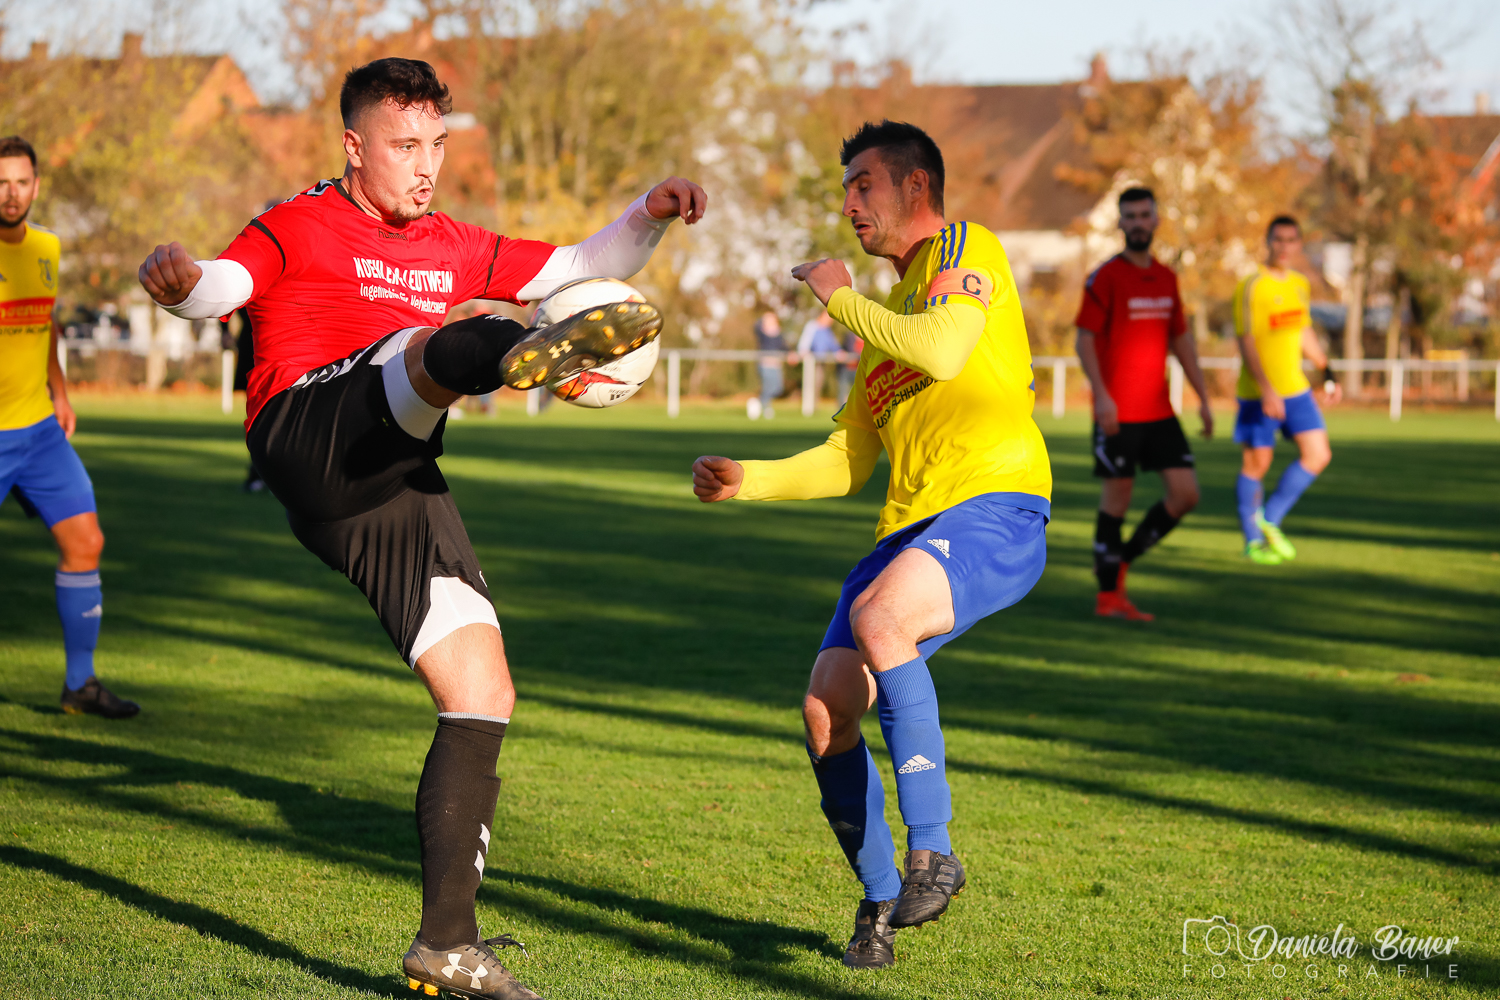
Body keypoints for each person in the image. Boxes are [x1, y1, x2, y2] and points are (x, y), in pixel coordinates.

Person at [138, 58, 705, 1000]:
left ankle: (446, 944)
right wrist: (183, 280)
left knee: (483, 689)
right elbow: (226, 283)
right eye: (406, 146)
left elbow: (573, 267)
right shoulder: (300, 220)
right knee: (418, 351)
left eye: (438, 144)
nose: (425, 164)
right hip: (306, 431)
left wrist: (646, 211)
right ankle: (514, 352)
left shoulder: (449, 241)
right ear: (354, 147)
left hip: (392, 480)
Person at [692, 120, 1050, 971]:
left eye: (863, 185)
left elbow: (951, 346)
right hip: (908, 530)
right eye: (846, 188)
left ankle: (934, 847)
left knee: (883, 620)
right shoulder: (885, 324)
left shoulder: (966, 250)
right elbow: (849, 459)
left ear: (914, 189)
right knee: (825, 709)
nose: (849, 203)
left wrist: (837, 299)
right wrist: (750, 479)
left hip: (994, 505)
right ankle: (883, 897)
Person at [0, 135, 138, 720]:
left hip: (38, 433)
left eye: (21, 182)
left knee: (86, 543)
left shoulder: (48, 247)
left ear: (36, 184)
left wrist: (59, 391)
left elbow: (46, 324)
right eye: (1, 182)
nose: (11, 194)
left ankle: (79, 685)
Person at [1074, 187, 1212, 621]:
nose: (1136, 222)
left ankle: (1121, 560)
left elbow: (1182, 340)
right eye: (1129, 215)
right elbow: (1084, 341)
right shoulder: (1105, 277)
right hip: (1118, 412)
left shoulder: (1167, 278)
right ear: (1120, 223)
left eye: (1143, 215)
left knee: (1186, 494)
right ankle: (1107, 596)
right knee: (1117, 498)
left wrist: (1203, 397)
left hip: (1159, 412)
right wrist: (1102, 398)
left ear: (1155, 220)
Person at [1232, 215, 1339, 565]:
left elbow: (1303, 330)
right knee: (1257, 464)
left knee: (1318, 454)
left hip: (1296, 389)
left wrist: (1327, 370)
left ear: (1299, 243)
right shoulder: (1251, 286)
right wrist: (1266, 389)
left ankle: (1270, 518)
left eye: (1292, 240)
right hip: (1258, 394)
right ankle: (1252, 543)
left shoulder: (1299, 284)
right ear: (1268, 241)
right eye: (1278, 239)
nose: (1285, 246)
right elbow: (1246, 341)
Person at [750, 310, 787, 419]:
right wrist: (763, 320)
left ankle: (757, 402)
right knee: (767, 386)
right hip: (765, 365)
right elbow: (755, 327)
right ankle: (766, 407)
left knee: (777, 388)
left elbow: (783, 346)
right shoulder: (762, 332)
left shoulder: (778, 333)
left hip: (776, 365)